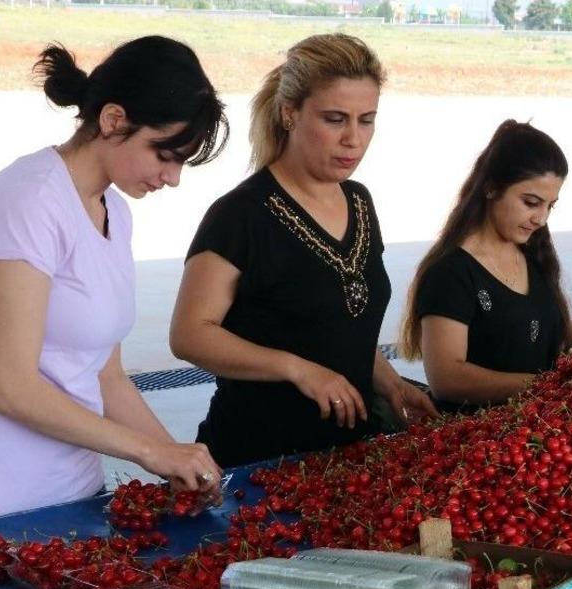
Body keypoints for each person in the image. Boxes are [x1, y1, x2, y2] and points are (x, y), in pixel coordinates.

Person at [0, 36, 228, 531]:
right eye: (165, 154)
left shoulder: (113, 210)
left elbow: (106, 375)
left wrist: (177, 459)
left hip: (73, 495)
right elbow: (11, 387)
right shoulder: (29, 200)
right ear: (113, 120)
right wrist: (150, 453)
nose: (172, 177)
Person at [170, 33, 437, 468]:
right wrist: (298, 369)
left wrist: (390, 384)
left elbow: (341, 327)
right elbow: (189, 335)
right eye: (335, 119)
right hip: (256, 460)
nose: (353, 139)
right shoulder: (240, 215)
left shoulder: (359, 202)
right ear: (290, 113)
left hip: (346, 459)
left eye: (366, 120)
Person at [398, 120, 572, 413]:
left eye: (550, 205)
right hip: (475, 435)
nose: (541, 218)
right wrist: (546, 385)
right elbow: (446, 379)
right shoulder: (450, 273)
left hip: (540, 429)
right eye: (531, 202)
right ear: (492, 188)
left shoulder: (536, 256)